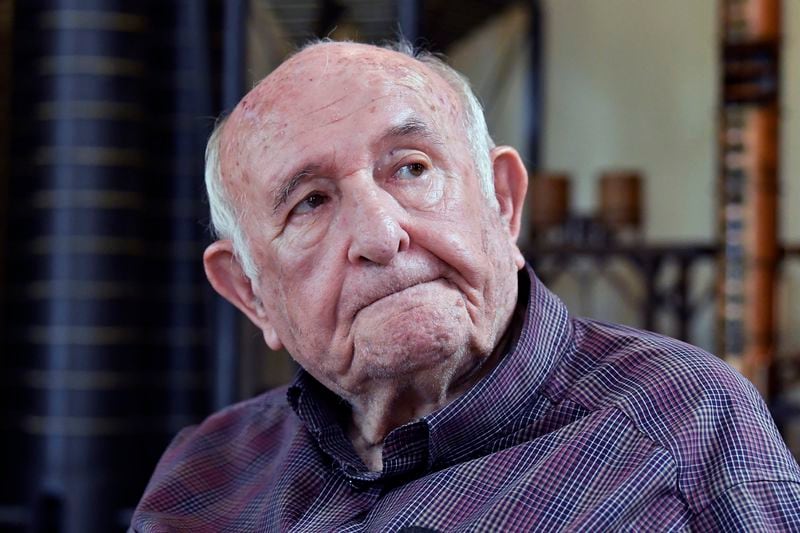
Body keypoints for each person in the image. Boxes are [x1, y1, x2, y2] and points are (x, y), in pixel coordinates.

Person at [130, 40, 800, 531]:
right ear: (250, 292)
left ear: (503, 204)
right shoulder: (204, 473)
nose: (379, 234)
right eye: (309, 202)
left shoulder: (685, 420)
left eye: (412, 168)